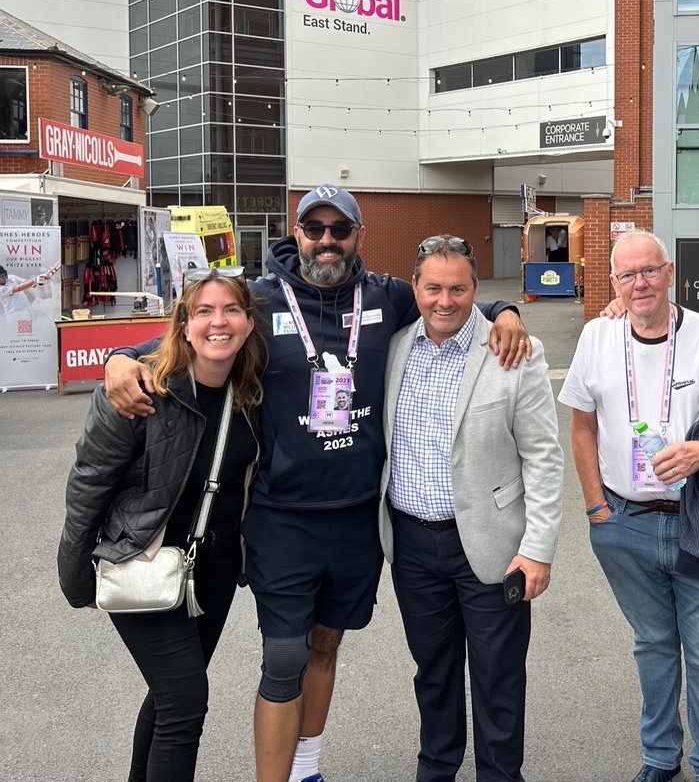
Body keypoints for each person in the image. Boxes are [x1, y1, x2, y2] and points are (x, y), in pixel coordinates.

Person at [103, 185, 530, 782]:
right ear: (296, 233)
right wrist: (121, 356)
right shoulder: (258, 300)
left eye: (340, 230)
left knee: (326, 645)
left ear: (358, 236)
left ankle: (306, 769)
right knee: (284, 658)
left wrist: (507, 311)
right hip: (283, 518)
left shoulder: (386, 296)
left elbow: (452, 299)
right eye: (315, 229)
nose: (327, 241)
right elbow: (188, 337)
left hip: (357, 519)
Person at [59, 267, 266, 782]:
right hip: (141, 562)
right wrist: (76, 576)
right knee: (185, 702)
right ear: (184, 324)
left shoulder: (252, 391)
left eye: (231, 310)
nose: (218, 322)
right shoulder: (140, 390)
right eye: (204, 311)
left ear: (248, 323)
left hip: (213, 568)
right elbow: (88, 484)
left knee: (170, 696)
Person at [559, 230, 699, 782]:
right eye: (627, 275)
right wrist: (596, 508)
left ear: (669, 273)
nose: (639, 283)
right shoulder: (597, 336)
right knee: (653, 645)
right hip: (626, 522)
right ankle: (661, 757)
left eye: (649, 271)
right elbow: (582, 425)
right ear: (613, 282)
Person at [379, 235, 563, 782]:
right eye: (433, 288)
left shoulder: (513, 351)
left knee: (498, 678)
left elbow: (543, 458)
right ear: (415, 287)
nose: (445, 301)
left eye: (458, 289)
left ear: (476, 289)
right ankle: (436, 768)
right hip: (412, 545)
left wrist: (538, 550)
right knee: (432, 673)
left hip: (492, 544)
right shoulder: (394, 347)